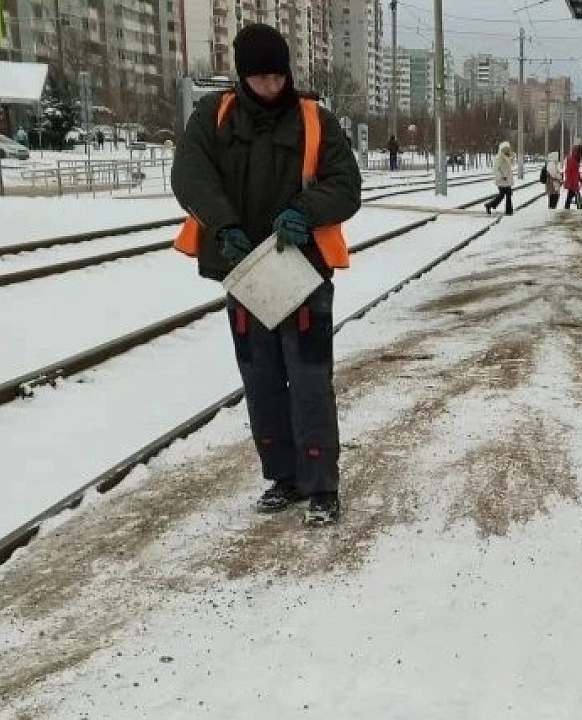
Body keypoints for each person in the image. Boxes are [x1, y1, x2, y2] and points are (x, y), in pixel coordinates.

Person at [170, 23, 362, 527]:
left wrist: (305, 211)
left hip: (303, 272)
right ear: (242, 77)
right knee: (261, 381)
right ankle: (284, 477)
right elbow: (190, 175)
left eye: (278, 77)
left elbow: (347, 185)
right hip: (246, 273)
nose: (272, 87)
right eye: (261, 79)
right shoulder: (213, 118)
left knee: (311, 380)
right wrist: (223, 225)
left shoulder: (315, 119)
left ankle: (321, 485)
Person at [484, 141, 515, 216]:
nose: (506, 150)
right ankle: (507, 210)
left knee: (505, 195)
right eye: (505, 149)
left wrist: (512, 158)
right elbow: (496, 169)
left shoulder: (509, 157)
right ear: (501, 149)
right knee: (504, 195)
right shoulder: (499, 158)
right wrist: (502, 176)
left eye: (507, 149)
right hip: (502, 180)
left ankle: (491, 205)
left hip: (507, 180)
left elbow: (511, 166)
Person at [563, 144, 582, 209]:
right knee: (577, 197)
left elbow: (576, 172)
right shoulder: (572, 160)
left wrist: (580, 179)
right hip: (572, 183)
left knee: (569, 197)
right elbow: (571, 173)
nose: (581, 155)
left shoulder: (573, 159)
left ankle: (567, 208)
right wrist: (575, 184)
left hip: (572, 183)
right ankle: (579, 209)